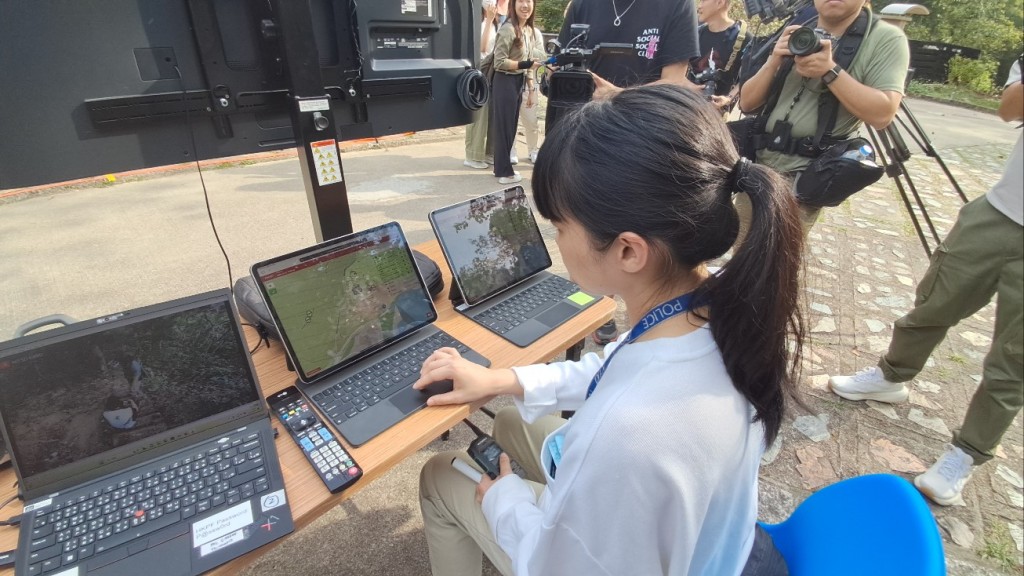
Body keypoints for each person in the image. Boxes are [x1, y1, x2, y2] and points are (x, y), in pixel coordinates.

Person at [417, 84, 804, 575]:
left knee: (439, 475)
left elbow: (554, 566)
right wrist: (502, 381)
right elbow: (619, 362)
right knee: (512, 420)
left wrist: (504, 500)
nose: (555, 239)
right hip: (715, 540)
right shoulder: (727, 301)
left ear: (628, 251)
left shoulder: (629, 432)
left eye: (560, 225)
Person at [828, 57, 1023, 507]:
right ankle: (892, 376)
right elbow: (1011, 107)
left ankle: (966, 453)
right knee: (932, 304)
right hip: (1000, 211)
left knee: (1013, 361)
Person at [737, 0, 909, 237]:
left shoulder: (885, 38)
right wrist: (773, 61)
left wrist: (830, 71)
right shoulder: (800, 30)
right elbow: (747, 103)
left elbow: (883, 114)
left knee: (773, 265)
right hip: (760, 168)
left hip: (805, 178)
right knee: (741, 253)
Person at [556, 0, 700, 99]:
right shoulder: (582, 3)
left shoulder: (677, 4)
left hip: (644, 127)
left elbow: (674, 81)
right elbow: (558, 64)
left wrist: (617, 95)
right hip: (582, 124)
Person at [490, 0, 543, 185]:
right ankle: (504, 172)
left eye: (529, 1)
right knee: (504, 127)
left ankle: (503, 169)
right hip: (504, 80)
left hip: (518, 81)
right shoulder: (508, 29)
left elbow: (529, 60)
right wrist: (525, 65)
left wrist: (529, 86)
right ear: (513, 5)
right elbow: (499, 62)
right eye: (521, 1)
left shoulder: (528, 30)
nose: (525, 5)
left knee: (511, 126)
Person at [689, 0, 751, 113]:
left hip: (715, 116)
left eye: (703, 1)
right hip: (687, 105)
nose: (699, 5)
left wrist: (728, 99)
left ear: (720, 3)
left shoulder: (743, 38)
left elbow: (747, 78)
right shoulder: (695, 34)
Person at [465, 1, 500, 170]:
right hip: (478, 72)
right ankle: (472, 154)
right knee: (478, 115)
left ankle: (487, 153)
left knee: (490, 115)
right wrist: (488, 20)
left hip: (491, 73)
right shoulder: (478, 22)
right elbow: (483, 47)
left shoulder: (495, 23)